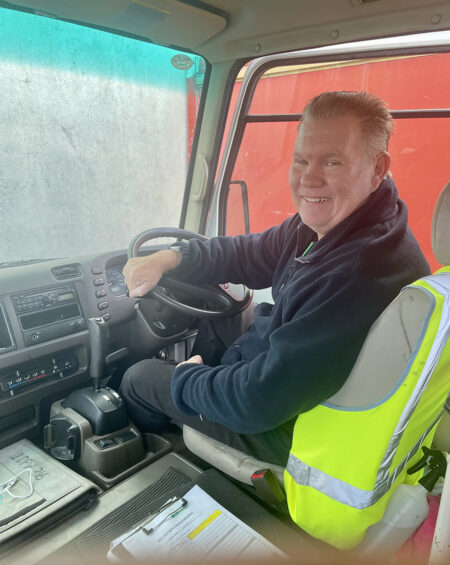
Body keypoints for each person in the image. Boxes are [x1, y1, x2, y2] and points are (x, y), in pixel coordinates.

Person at [120, 90, 430, 466]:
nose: (309, 180)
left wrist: (188, 380)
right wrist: (173, 257)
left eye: (332, 163)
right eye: (301, 161)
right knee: (220, 323)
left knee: (139, 379)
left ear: (377, 168)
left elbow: (257, 402)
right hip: (289, 382)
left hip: (292, 431)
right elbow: (251, 252)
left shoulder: (357, 270)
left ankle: (171, 462)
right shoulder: (340, 224)